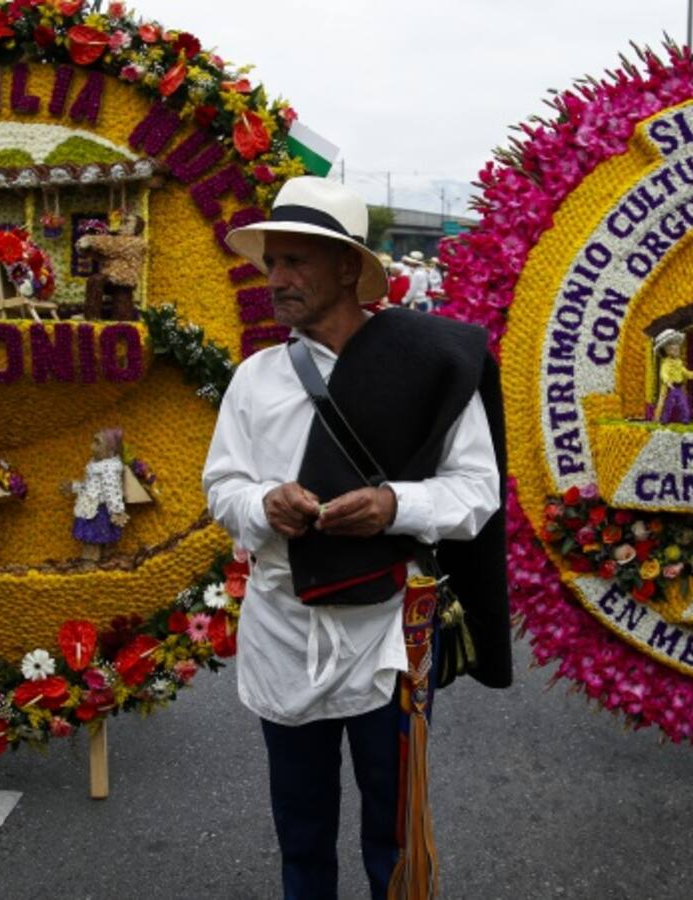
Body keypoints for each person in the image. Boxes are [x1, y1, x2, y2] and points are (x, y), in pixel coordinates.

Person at [204, 176, 510, 899]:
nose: (276, 279)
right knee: (302, 837)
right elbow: (222, 487)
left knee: (394, 836)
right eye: (271, 263)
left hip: (390, 638)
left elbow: (477, 493)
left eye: (296, 262)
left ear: (348, 268)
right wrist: (262, 504)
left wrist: (391, 504)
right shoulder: (254, 379)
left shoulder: (427, 367)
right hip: (285, 630)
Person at [62, 427, 130, 563]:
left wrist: (116, 511)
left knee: (92, 542)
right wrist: (74, 487)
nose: (91, 446)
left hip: (99, 511)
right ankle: (105, 563)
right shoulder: (95, 465)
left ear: (110, 451)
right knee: (102, 541)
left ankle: (89, 566)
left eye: (97, 443)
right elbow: (89, 487)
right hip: (91, 506)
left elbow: (113, 491)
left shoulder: (109, 468)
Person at [653, 328, 693, 424]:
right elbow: (663, 373)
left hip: (679, 387)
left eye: (676, 346)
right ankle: (663, 420)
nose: (675, 348)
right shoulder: (666, 363)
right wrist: (667, 381)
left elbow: (684, 372)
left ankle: (685, 419)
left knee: (683, 403)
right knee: (668, 404)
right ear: (666, 350)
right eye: (671, 347)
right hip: (670, 387)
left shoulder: (679, 362)